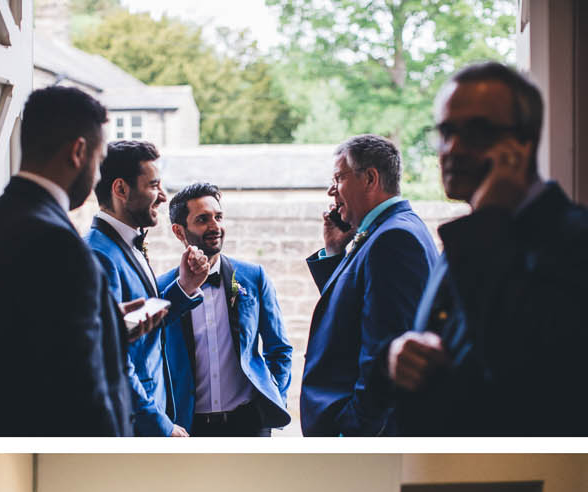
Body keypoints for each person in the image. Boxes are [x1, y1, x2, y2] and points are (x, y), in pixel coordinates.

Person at [383, 63, 588, 436]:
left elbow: (531, 377)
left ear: (524, 142)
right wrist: (401, 353)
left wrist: (490, 218)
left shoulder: (573, 240)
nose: (454, 148)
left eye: (477, 133)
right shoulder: (472, 234)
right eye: (446, 131)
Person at [0, 84, 137, 437]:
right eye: (99, 161)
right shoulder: (59, 244)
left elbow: (22, 336)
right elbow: (81, 391)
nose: (98, 175)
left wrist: (110, 322)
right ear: (78, 152)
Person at [299, 134, 436, 436]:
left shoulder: (394, 239)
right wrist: (336, 252)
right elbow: (353, 313)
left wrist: (352, 431)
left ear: (370, 178)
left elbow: (382, 352)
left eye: (338, 178)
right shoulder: (387, 230)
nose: (330, 191)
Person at [85, 140, 205, 437]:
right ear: (121, 190)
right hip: (135, 424)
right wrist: (161, 426)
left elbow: (141, 326)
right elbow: (112, 357)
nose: (164, 197)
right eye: (154, 185)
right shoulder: (99, 256)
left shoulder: (127, 242)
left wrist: (185, 287)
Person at [157, 182, 294, 436]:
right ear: (179, 231)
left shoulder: (254, 277)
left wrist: (273, 398)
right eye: (202, 219)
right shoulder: (162, 289)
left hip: (249, 424)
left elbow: (280, 348)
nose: (215, 226)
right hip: (187, 428)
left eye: (218, 216)